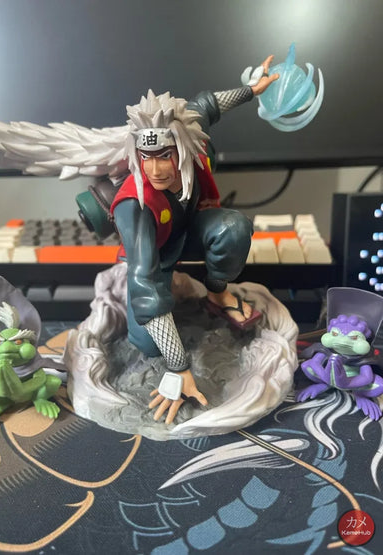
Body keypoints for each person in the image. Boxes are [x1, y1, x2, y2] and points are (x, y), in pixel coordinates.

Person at [110, 56, 279, 424]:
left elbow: (209, 104)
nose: (156, 169)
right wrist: (178, 366)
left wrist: (252, 90)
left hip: (191, 227)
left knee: (234, 228)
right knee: (147, 344)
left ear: (182, 148)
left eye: (165, 157)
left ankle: (217, 293)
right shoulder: (134, 205)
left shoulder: (185, 130)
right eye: (146, 157)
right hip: (154, 252)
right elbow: (144, 285)